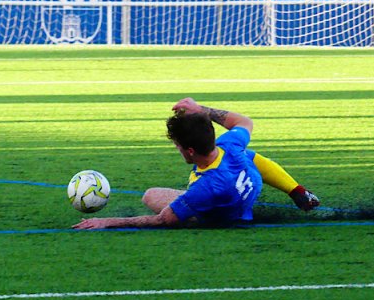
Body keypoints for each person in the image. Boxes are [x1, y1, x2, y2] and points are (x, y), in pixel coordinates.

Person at [74, 98, 320, 229]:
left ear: (190, 150)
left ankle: (203, 215)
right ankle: (297, 190)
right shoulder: (228, 145)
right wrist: (200, 109)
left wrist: (107, 222)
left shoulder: (207, 187)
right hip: (244, 186)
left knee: (151, 196)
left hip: (223, 214)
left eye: (178, 146)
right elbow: (244, 122)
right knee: (248, 154)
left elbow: (164, 220)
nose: (177, 149)